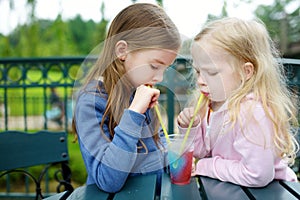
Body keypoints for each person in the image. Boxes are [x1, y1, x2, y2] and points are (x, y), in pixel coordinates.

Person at [177, 17, 299, 187]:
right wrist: (191, 128)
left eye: (211, 72)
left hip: (275, 192)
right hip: (235, 188)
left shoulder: (253, 112)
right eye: (197, 71)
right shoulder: (210, 103)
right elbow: (200, 152)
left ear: (246, 71)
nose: (200, 81)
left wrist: (204, 166)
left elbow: (257, 175)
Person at [72, 3, 181, 193]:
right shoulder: (91, 102)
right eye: (155, 66)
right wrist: (134, 113)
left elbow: (156, 148)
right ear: (122, 51)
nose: (160, 78)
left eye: (165, 69)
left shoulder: (139, 90)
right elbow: (107, 180)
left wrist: (175, 159)